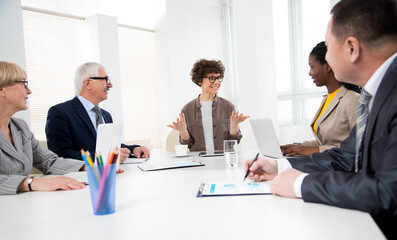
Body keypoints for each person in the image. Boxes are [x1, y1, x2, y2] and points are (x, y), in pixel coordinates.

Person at [244, 0, 397, 238]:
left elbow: (388, 192)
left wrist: (300, 185)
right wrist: (282, 167)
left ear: (351, 48)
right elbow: (345, 156)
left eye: (328, 45)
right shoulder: (378, 93)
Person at [0, 61, 86, 195]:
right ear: (1, 89)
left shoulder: (20, 127)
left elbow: (48, 161)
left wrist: (89, 167)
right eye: (23, 83)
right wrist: (30, 182)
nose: (29, 91)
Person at [45, 62, 150, 163]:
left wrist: (134, 149)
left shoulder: (106, 115)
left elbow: (110, 147)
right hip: (80, 178)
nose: (110, 85)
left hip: (109, 175)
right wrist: (105, 158)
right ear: (88, 83)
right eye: (106, 80)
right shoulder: (60, 113)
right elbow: (61, 155)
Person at [281, 41, 360, 156]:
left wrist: (311, 150)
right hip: (326, 164)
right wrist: (298, 147)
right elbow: (323, 142)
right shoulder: (328, 99)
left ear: (327, 67)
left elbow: (359, 147)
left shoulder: (353, 99)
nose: (309, 73)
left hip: (341, 170)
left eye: (312, 67)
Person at [167, 59, 249, 151]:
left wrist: (234, 125)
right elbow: (187, 144)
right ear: (199, 80)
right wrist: (183, 131)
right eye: (212, 78)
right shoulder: (187, 109)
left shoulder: (228, 106)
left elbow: (235, 141)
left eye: (219, 78)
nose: (217, 82)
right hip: (199, 162)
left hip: (223, 160)